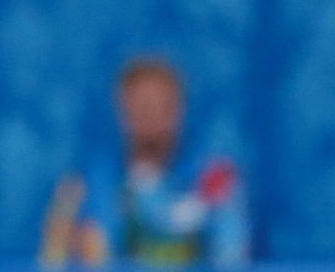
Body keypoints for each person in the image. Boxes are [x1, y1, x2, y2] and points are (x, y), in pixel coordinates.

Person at [40, 58, 250, 269]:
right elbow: (90, 252)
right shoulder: (98, 181)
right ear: (122, 111)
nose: (151, 118)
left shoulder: (213, 176)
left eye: (162, 107)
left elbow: (231, 254)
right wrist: (66, 237)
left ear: (180, 110)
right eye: (141, 108)